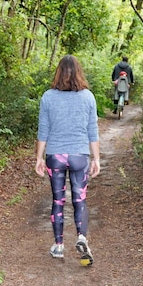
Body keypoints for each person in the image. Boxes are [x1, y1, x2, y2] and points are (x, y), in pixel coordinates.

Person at [35, 55, 100, 266]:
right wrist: (96, 158)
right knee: (80, 200)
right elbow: (93, 130)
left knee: (58, 201)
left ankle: (59, 246)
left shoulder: (48, 97)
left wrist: (39, 157)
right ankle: (81, 237)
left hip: (56, 156)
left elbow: (43, 130)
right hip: (80, 155)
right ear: (79, 73)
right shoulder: (88, 97)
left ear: (59, 73)